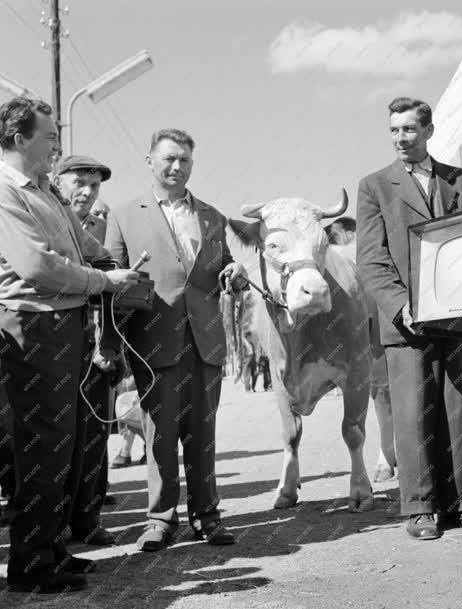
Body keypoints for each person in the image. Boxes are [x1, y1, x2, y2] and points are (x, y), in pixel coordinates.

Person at [0, 97, 139, 593]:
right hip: (33, 328)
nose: (58, 145)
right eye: (49, 137)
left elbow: (83, 250)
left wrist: (113, 268)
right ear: (19, 139)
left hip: (66, 326)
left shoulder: (46, 192)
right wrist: (102, 283)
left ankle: (53, 550)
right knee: (40, 448)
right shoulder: (6, 191)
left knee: (65, 450)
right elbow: (36, 266)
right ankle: (30, 568)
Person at [356, 97, 462, 540]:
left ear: (429, 131)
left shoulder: (460, 181)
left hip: (454, 317)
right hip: (406, 320)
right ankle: (418, 509)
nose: (401, 138)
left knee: (455, 407)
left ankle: (461, 503)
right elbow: (370, 260)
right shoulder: (373, 186)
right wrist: (402, 306)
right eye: (394, 130)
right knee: (413, 412)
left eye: (409, 130)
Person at [105, 128, 247, 552]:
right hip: (154, 342)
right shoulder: (125, 214)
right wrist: (111, 345)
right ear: (150, 161)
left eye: (184, 159)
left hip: (204, 341)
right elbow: (111, 280)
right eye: (168, 158)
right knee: (159, 435)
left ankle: (207, 516)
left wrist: (236, 273)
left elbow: (223, 267)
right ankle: (160, 520)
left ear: (192, 164)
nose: (176, 166)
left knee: (203, 434)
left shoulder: (211, 216)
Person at [54, 155, 121, 545]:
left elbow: (115, 275)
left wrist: (111, 344)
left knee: (95, 435)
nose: (87, 192)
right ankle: (51, 525)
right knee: (51, 437)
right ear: (58, 182)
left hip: (97, 349)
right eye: (78, 182)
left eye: (94, 186)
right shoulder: (41, 218)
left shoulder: (102, 225)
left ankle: (87, 520)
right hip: (51, 342)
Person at [325, 217, 397, 481]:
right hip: (364, 325)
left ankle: (387, 453)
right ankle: (387, 453)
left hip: (371, 323)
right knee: (380, 391)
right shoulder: (338, 255)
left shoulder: (343, 254)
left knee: (380, 391)